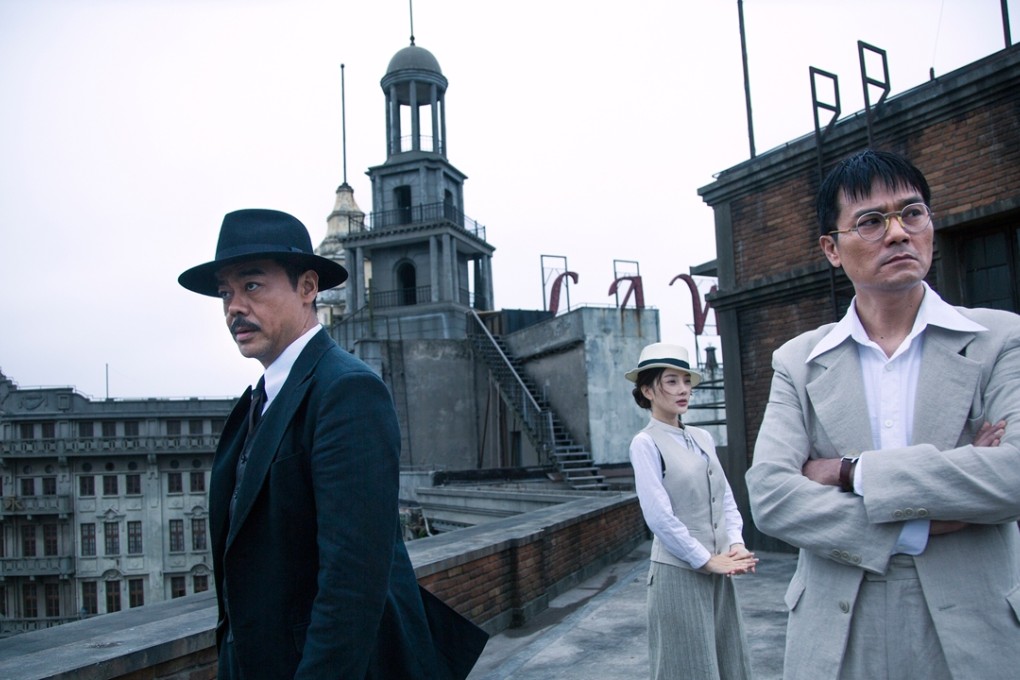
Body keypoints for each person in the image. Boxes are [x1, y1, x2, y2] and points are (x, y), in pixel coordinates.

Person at [178, 208, 487, 679]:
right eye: (226, 293)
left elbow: (352, 582)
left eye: (252, 286)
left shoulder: (346, 390)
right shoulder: (258, 400)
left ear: (307, 287)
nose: (234, 307)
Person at [746, 149, 1020, 680]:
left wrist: (849, 472)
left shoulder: (999, 340)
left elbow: (1012, 475)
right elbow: (772, 497)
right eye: (871, 221)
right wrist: (924, 521)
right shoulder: (798, 362)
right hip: (839, 633)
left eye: (912, 213)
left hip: (975, 628)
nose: (898, 234)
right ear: (831, 248)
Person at [626, 342, 757, 680]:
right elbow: (659, 517)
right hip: (678, 573)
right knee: (687, 667)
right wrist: (704, 559)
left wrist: (735, 544)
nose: (683, 389)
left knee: (728, 660)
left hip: (719, 568)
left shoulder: (701, 437)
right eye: (671, 381)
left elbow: (725, 497)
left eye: (686, 381)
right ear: (647, 391)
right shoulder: (645, 443)